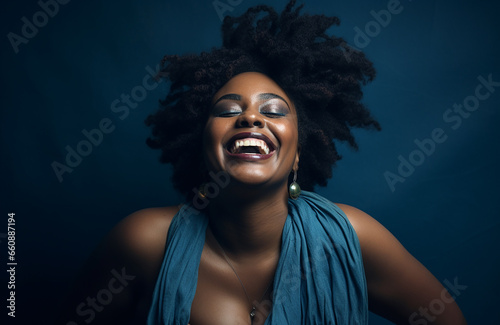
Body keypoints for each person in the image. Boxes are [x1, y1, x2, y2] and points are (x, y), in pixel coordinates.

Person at [58, 1, 467, 324]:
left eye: (273, 111)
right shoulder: (143, 241)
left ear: (298, 154)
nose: (250, 117)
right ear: (201, 145)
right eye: (227, 109)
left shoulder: (354, 239)